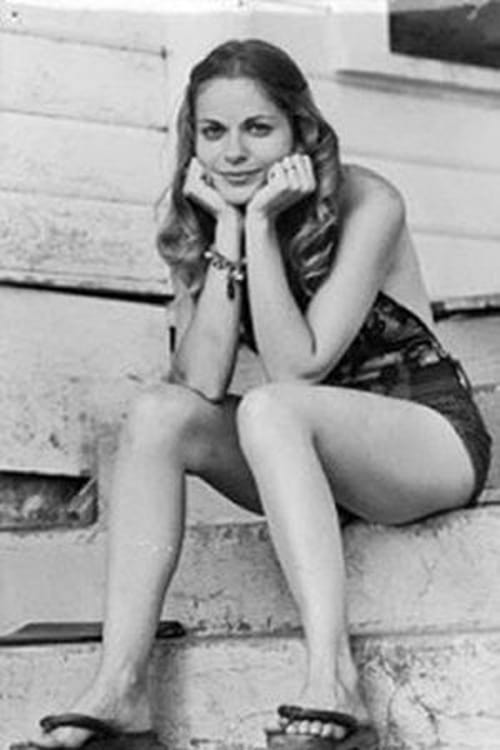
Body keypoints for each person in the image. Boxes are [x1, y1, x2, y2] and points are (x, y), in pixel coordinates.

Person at [17, 38, 491, 750]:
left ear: (301, 129)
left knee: (272, 405)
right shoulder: (202, 220)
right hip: (301, 454)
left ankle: (334, 677)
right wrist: (230, 232)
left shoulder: (369, 201)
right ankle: (122, 684)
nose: (233, 152)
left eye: (258, 128)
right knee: (155, 413)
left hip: (422, 438)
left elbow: (298, 368)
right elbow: (202, 381)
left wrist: (264, 226)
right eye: (213, 132)